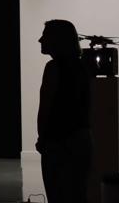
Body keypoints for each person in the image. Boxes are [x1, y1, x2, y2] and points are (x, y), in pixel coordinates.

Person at [36, 20, 92, 203]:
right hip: (81, 142)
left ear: (56, 40)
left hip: (58, 144)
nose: (40, 40)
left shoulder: (53, 68)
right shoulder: (83, 67)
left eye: (45, 36)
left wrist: (42, 139)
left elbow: (47, 106)